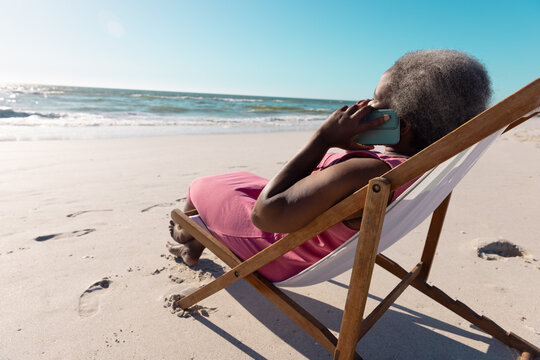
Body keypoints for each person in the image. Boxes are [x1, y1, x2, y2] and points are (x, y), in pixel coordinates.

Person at [167, 49, 492, 283]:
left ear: (401, 125)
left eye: (374, 104)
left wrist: (323, 138)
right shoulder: (419, 168)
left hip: (274, 249)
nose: (363, 109)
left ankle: (187, 235)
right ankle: (194, 241)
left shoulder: (364, 173)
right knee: (240, 178)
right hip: (301, 226)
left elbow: (265, 215)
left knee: (201, 185)